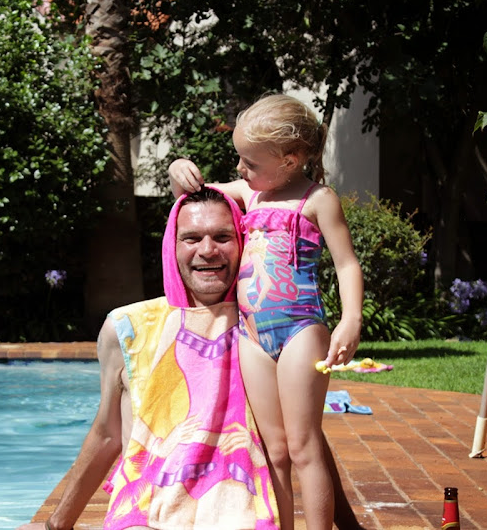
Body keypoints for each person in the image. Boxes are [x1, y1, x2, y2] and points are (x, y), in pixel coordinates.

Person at [18, 187, 362, 530]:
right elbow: (108, 432)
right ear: (172, 245)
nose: (207, 250)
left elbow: (305, 439)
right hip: (145, 518)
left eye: (223, 237)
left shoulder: (257, 334)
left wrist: (348, 526)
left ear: (244, 244)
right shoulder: (129, 327)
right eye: (191, 238)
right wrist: (56, 524)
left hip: (237, 517)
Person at [169, 94, 364, 530]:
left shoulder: (318, 199)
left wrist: (351, 319)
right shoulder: (249, 194)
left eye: (250, 162)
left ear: (289, 161)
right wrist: (177, 169)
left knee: (303, 446)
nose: (240, 169)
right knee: (273, 450)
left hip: (300, 331)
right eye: (239, 159)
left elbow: (347, 264)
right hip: (252, 336)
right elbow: (194, 194)